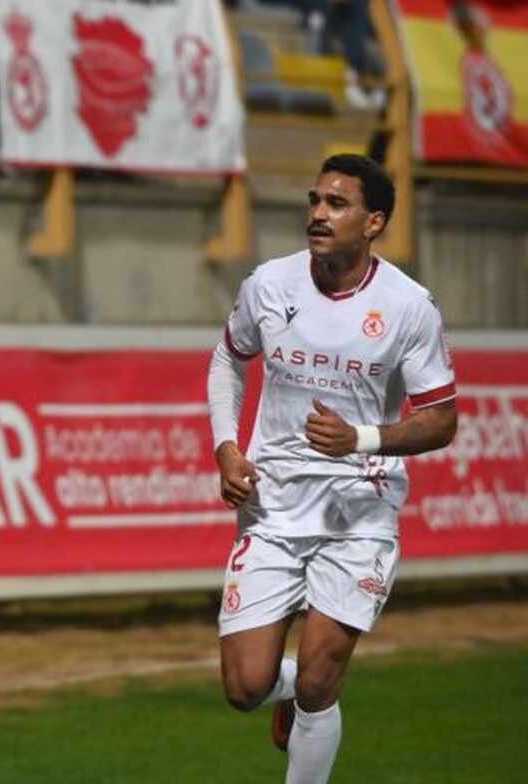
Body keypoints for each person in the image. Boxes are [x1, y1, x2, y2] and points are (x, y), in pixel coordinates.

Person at [207, 153, 458, 783]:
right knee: (244, 686)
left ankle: (310, 708)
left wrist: (361, 438)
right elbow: (227, 361)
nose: (319, 214)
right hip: (273, 508)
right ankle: (289, 691)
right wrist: (225, 447)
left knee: (322, 675)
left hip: (359, 513)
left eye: (337, 204)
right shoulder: (269, 284)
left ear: (374, 222)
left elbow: (441, 419)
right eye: (315, 200)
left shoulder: (408, 306)